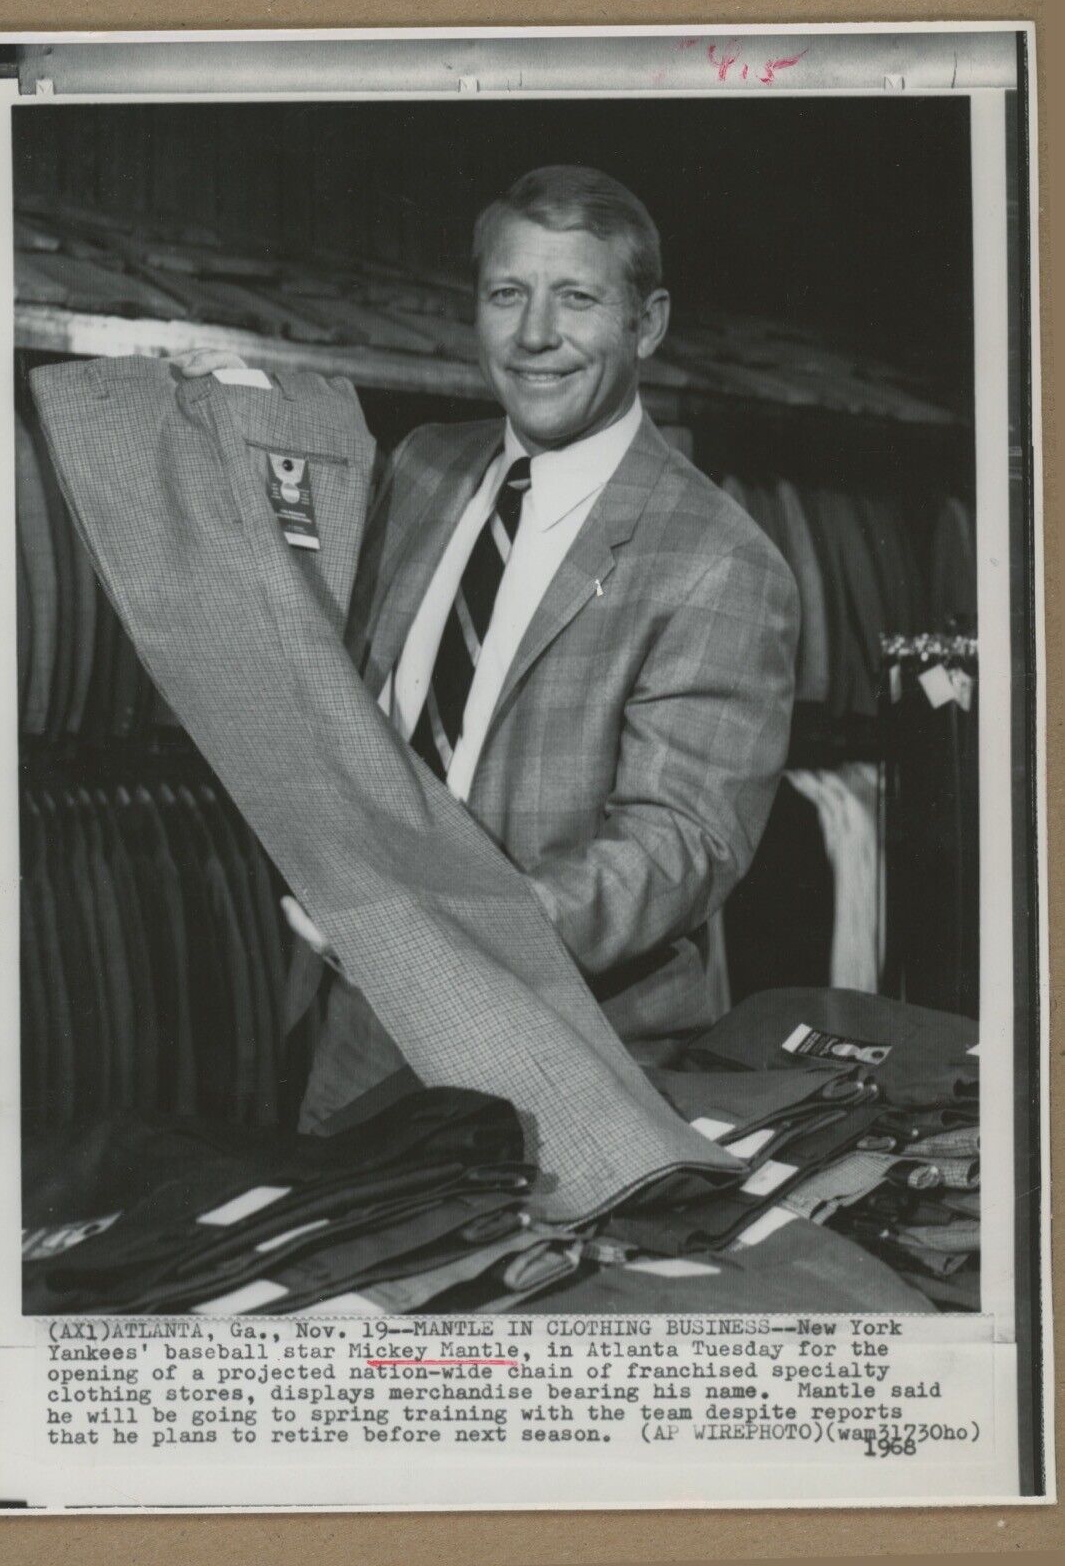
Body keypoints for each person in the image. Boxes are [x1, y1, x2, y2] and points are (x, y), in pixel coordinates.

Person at [177, 164, 800, 1123]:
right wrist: (223, 432)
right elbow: (325, 676)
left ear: (649, 323)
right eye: (507, 294)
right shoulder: (426, 462)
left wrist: (466, 925)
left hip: (574, 1051)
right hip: (361, 1029)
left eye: (578, 298)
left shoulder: (718, 562)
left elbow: (680, 846)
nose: (535, 335)